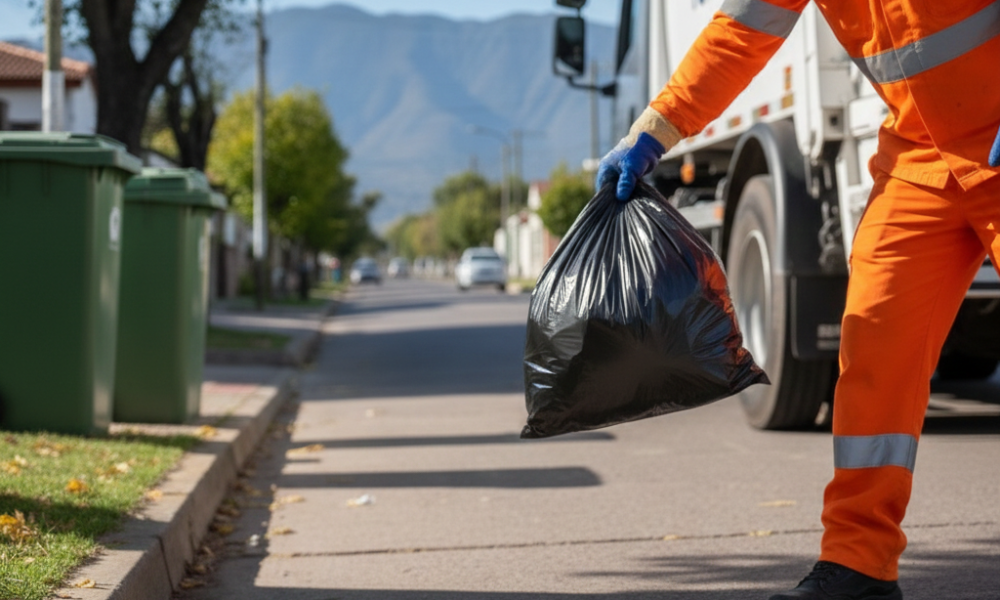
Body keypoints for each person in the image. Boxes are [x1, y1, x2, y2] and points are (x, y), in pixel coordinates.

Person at [597, 1, 1000, 599]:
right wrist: (653, 132)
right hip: (919, 160)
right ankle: (859, 562)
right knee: (874, 352)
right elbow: (740, 33)